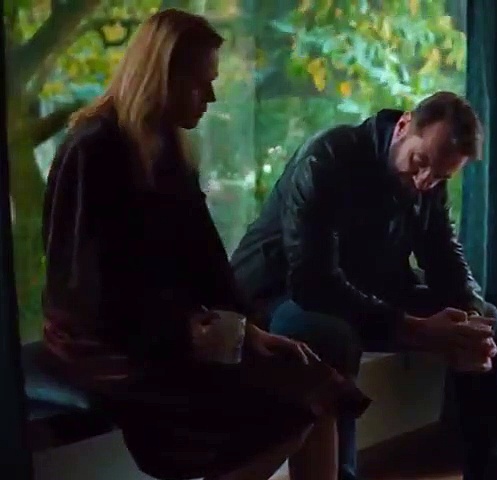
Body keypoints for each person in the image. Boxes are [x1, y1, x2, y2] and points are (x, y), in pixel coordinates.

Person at [40, 9, 370, 480]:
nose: (211, 97)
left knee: (313, 381)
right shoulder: (94, 150)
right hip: (109, 343)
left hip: (171, 328)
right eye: (200, 83)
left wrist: (248, 331)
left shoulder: (168, 149)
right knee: (277, 407)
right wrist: (187, 328)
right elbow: (87, 289)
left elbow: (206, 260)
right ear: (161, 77)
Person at [230, 91, 497, 480]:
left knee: (486, 321)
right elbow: (314, 282)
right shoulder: (328, 157)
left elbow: (444, 259)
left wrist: (470, 318)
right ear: (403, 126)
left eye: (440, 176)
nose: (425, 181)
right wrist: (417, 329)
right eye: (420, 163)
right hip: (279, 294)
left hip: (364, 289)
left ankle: (493, 475)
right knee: (331, 335)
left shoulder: (428, 182)